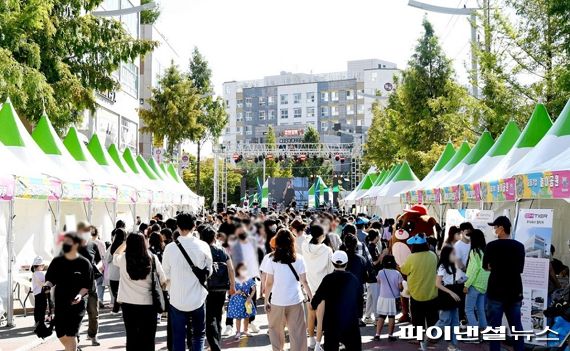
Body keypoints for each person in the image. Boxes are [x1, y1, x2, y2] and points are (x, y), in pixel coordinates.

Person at [162, 213, 213, 351]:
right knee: (199, 335)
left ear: (177, 227)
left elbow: (165, 274)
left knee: (178, 336)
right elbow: (209, 270)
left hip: (177, 298)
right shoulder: (203, 246)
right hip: (198, 298)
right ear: (194, 226)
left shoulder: (170, 248)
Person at [113, 233, 166, 351]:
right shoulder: (152, 258)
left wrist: (124, 243)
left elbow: (115, 254)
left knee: (131, 337)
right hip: (148, 303)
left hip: (128, 304)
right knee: (148, 338)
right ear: (144, 242)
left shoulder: (123, 259)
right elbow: (163, 280)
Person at [43, 232, 93, 351]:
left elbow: (87, 285)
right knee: (60, 333)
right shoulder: (57, 261)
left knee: (71, 335)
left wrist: (80, 295)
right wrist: (47, 285)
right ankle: (73, 348)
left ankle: (72, 348)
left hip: (77, 306)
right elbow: (50, 279)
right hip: (60, 304)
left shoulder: (84, 263)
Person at [264, 228, 312, 351]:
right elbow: (304, 281)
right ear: (292, 242)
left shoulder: (271, 259)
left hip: (277, 301)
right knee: (298, 333)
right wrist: (311, 298)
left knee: (276, 331)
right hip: (295, 300)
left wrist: (266, 300)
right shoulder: (299, 258)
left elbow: (269, 283)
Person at [484, 216, 525, 351]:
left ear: (501, 228)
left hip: (496, 291)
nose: (494, 230)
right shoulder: (519, 246)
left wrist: (495, 267)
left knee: (494, 328)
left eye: (495, 227)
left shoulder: (491, 246)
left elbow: (486, 266)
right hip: (514, 291)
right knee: (517, 327)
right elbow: (520, 269)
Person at [311, 250, 363, 351]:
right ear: (346, 263)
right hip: (350, 321)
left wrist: (312, 305)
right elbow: (359, 299)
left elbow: (316, 299)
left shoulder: (328, 279)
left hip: (331, 322)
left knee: (330, 347)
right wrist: (359, 315)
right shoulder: (353, 279)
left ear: (332, 263)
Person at [400, 234, 438, 351]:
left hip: (416, 292)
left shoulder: (412, 257)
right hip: (432, 291)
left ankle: (419, 338)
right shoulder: (433, 255)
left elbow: (404, 270)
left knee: (418, 318)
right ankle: (433, 336)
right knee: (432, 316)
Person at [200, 225, 235, 351]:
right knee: (218, 315)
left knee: (209, 317)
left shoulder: (202, 250)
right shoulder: (222, 250)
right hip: (222, 287)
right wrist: (232, 286)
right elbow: (231, 268)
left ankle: (214, 346)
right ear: (215, 237)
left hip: (208, 287)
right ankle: (215, 343)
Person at [302, 223, 334, 350]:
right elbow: (331, 269)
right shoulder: (327, 250)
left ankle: (311, 340)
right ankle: (318, 344)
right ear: (321, 236)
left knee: (311, 315)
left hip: (308, 286)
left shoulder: (305, 247)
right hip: (323, 287)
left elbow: (306, 240)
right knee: (320, 319)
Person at [229, 223, 260, 333]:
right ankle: (230, 324)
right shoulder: (233, 245)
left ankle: (250, 322)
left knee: (251, 300)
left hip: (249, 276)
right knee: (234, 300)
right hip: (237, 277)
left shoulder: (252, 244)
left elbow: (256, 258)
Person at [435, 246, 466, 351]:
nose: (455, 256)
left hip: (453, 293)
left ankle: (452, 345)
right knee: (444, 320)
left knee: (454, 322)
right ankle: (427, 337)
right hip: (446, 295)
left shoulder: (452, 266)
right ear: (447, 255)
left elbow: (450, 280)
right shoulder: (442, 267)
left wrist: (459, 281)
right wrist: (451, 292)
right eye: (453, 254)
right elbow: (438, 284)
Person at [77, 221, 101, 346]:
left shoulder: (93, 245)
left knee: (94, 313)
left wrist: (97, 268)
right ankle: (75, 337)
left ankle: (93, 335)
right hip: (77, 286)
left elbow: (99, 261)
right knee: (77, 314)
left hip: (91, 285)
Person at [463, 229, 490, 331]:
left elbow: (473, 269)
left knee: (469, 310)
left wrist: (467, 284)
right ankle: (483, 330)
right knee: (480, 310)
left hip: (474, 285)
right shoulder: (486, 251)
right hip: (484, 285)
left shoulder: (475, 252)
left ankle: (474, 334)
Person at [374, 255, 402, 342]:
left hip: (383, 298)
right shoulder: (397, 273)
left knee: (381, 316)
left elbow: (378, 282)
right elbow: (400, 287)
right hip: (393, 298)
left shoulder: (380, 272)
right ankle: (390, 335)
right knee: (391, 317)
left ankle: (377, 335)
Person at [227, 263, 257, 340]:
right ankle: (238, 332)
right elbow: (230, 290)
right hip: (237, 301)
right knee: (238, 317)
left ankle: (245, 330)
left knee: (247, 316)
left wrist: (250, 297)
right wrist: (236, 292)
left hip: (246, 300)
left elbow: (254, 289)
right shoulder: (235, 279)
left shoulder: (249, 279)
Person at [363, 229, 382, 324]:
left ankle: (367, 316)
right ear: (376, 237)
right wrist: (382, 255)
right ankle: (377, 318)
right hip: (374, 277)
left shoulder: (369, 246)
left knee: (370, 298)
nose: (379, 236)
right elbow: (374, 263)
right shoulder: (372, 247)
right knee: (375, 298)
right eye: (378, 235)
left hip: (369, 277)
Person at [106, 228, 126, 314]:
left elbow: (107, 259)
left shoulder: (112, 246)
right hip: (124, 272)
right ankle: (117, 309)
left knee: (116, 293)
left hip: (114, 273)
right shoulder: (126, 245)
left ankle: (116, 309)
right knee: (123, 292)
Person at [89, 226, 106, 307]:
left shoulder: (86, 242)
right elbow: (104, 256)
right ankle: (100, 299)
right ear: (97, 233)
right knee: (100, 284)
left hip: (89, 265)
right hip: (99, 265)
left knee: (90, 284)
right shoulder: (101, 243)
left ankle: (92, 301)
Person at [31, 256, 47, 326]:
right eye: (43, 265)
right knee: (42, 308)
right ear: (40, 266)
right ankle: (41, 322)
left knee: (37, 308)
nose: (43, 266)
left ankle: (36, 322)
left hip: (36, 293)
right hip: (42, 293)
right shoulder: (41, 273)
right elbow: (45, 283)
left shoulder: (34, 273)